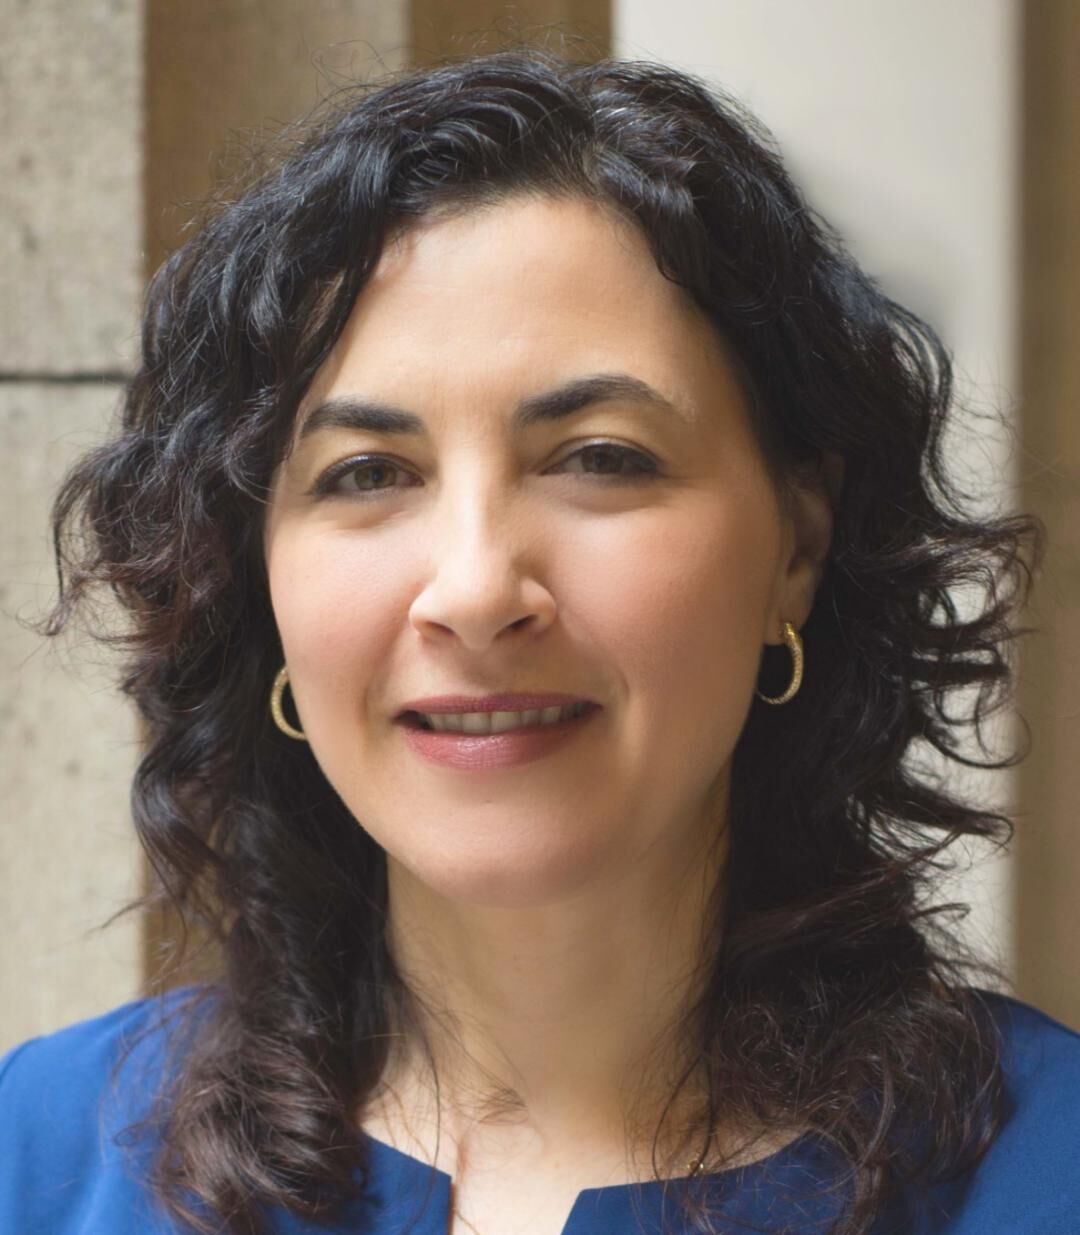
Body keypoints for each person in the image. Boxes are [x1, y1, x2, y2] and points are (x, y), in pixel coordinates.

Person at [1, 45, 1077, 1235]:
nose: (474, 589)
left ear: (797, 542)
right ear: (259, 573)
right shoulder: (44, 1157)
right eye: (367, 472)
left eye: (600, 457)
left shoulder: (1047, 1173)